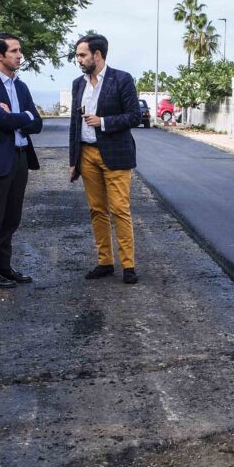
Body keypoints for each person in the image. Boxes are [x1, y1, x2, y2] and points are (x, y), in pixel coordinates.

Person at [68, 33, 141, 285]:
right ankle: (105, 262)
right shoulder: (78, 84)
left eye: (82, 55)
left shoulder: (121, 79)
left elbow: (134, 116)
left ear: (97, 55)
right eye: (77, 55)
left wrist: (103, 122)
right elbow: (75, 123)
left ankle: (128, 266)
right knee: (97, 210)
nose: (78, 59)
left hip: (116, 154)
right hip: (87, 154)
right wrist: (73, 161)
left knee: (119, 209)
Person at [0, 33, 43, 289]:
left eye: (20, 50)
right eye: (14, 51)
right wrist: (23, 116)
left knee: (12, 217)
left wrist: (17, 115)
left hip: (21, 157)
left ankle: (4, 268)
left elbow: (37, 123)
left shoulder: (21, 87)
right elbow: (3, 121)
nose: (20, 55)